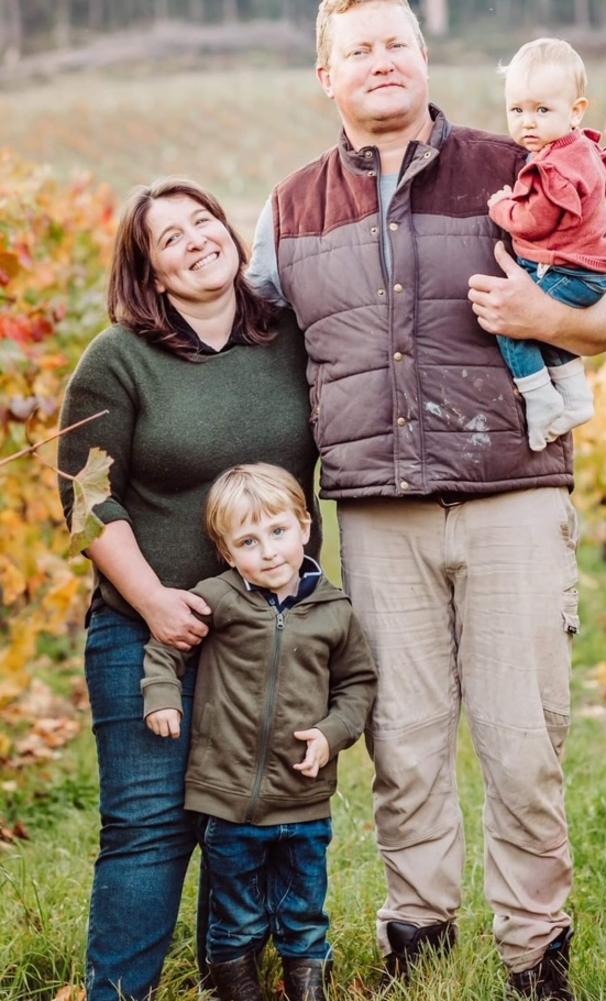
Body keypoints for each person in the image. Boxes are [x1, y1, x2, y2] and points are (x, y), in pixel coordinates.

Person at [247, 1, 606, 998]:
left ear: (424, 61)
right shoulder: (289, 208)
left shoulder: (517, 167)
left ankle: (530, 954)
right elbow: (240, 352)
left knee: (520, 737)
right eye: (356, 49)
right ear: (323, 77)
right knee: (404, 742)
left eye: (395, 43)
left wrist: (538, 311)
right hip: (375, 511)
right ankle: (417, 942)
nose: (379, 61)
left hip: (510, 490)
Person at [57, 179, 321, 1001]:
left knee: (245, 820)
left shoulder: (289, 338)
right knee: (149, 828)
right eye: (168, 238)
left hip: (266, 635)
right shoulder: (118, 358)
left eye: (202, 221)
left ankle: (229, 979)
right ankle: (120, 991)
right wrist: (154, 603)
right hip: (149, 632)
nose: (195, 240)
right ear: (150, 274)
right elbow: (80, 498)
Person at [141, 463, 377, 1001]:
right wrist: (160, 696)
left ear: (305, 526)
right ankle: (236, 988)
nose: (269, 551)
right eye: (248, 541)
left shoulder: (333, 611)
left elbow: (358, 684)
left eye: (278, 532)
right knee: (236, 916)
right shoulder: (218, 598)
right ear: (227, 554)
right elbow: (165, 647)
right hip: (226, 802)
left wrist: (331, 733)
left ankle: (306, 986)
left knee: (303, 913)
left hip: (303, 801)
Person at [487, 37, 606, 452]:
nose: (528, 122)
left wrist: (501, 205)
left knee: (512, 320)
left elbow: (531, 222)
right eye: (517, 110)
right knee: (546, 329)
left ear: (576, 111)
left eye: (542, 110)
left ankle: (541, 401)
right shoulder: (581, 151)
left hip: (568, 270)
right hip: (593, 271)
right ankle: (576, 400)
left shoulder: (553, 168)